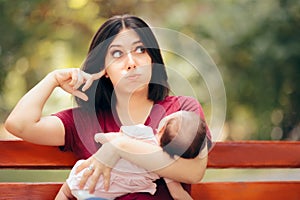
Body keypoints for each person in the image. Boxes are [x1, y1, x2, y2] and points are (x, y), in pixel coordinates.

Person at [5, 14, 211, 199]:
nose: (131, 62)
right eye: (117, 54)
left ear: (152, 59)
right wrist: (53, 79)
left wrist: (118, 147)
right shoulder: (85, 120)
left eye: (140, 50)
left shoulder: (181, 111)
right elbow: (19, 124)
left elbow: (193, 171)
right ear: (104, 69)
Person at [56, 111, 207, 199]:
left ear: (162, 128)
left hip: (87, 178)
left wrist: (99, 137)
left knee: (66, 191)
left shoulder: (142, 132)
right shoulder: (165, 167)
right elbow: (178, 194)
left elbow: (114, 138)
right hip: (102, 195)